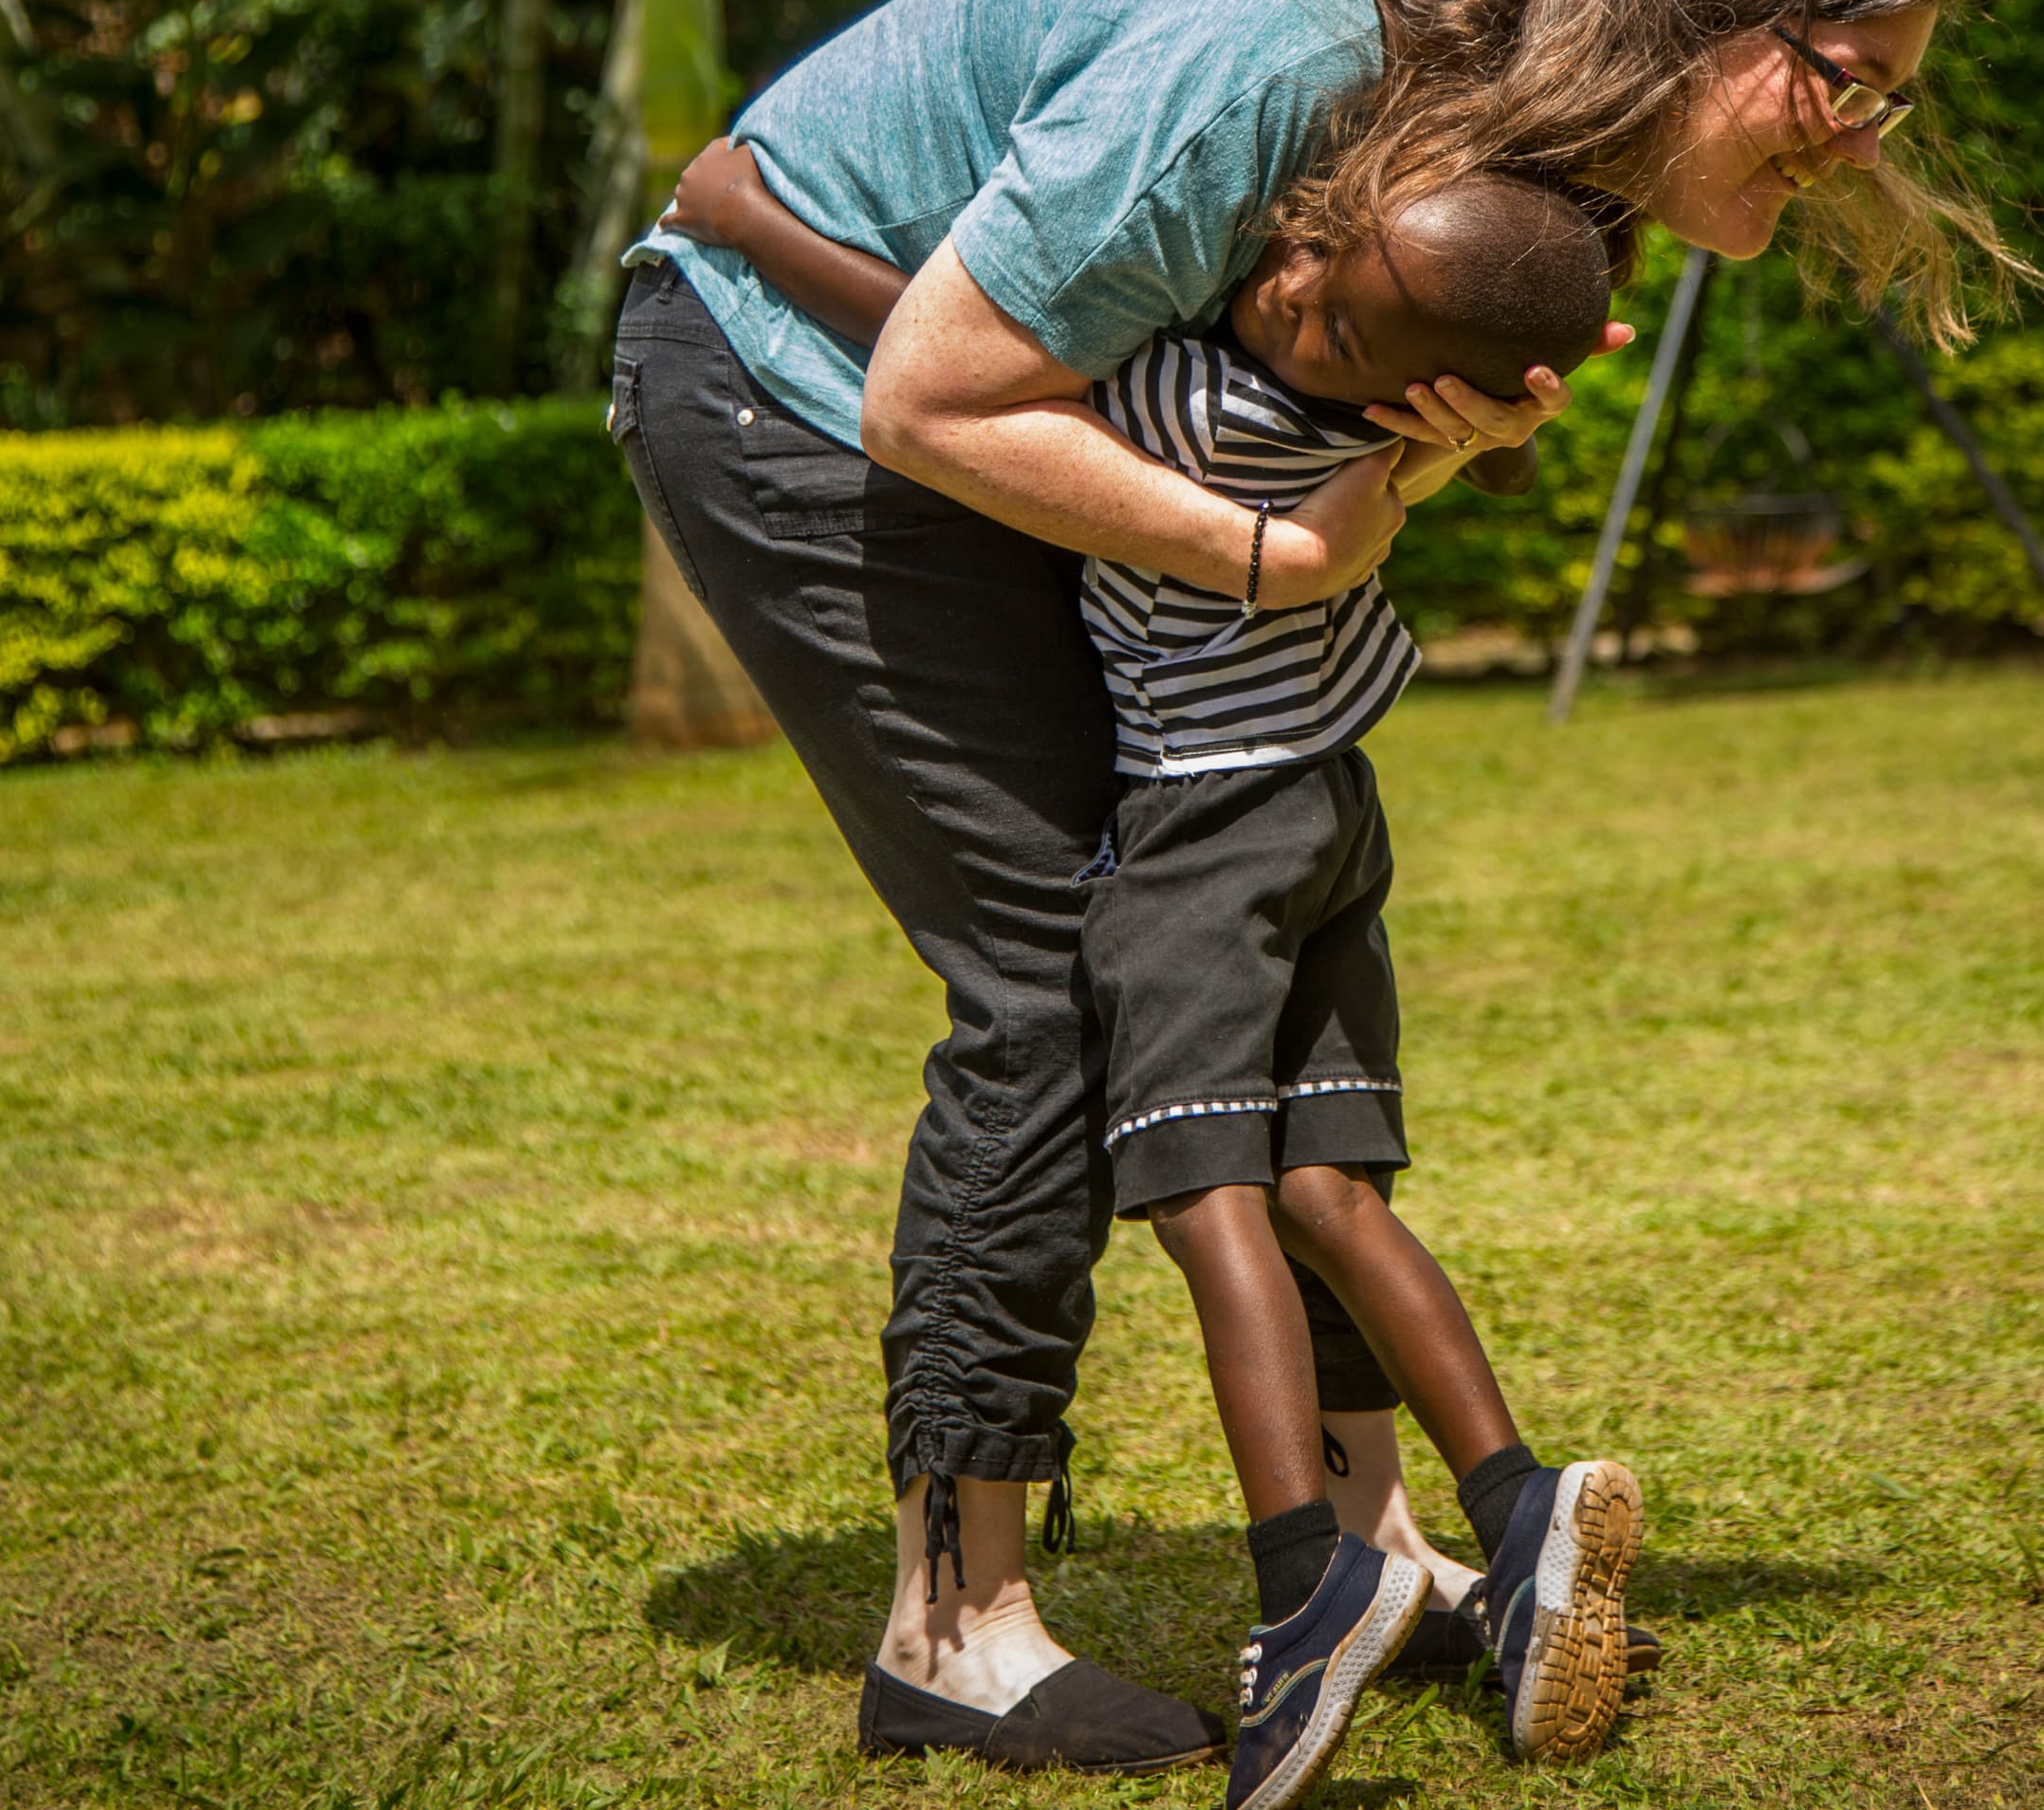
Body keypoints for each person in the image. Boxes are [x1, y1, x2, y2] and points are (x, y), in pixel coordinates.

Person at [606, 0, 2012, 1776]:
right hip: (796, 388)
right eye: (1848, 77)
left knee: (1233, 938)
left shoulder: (1511, 147)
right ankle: (951, 1619)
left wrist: (1398, 459)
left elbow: (1242, 414)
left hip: (986, 390)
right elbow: (939, 386)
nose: (1867, 135)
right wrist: (1280, 550)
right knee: (1049, 965)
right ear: (1709, 10)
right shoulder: (1274, 48)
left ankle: (1367, 1545)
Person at [662, 155, 1646, 1801]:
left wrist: (750, 224)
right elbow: (1441, 361)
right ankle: (1519, 1502)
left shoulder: (1189, 397)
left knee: (1211, 1202)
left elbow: (935, 350)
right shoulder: (1411, 429)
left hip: (1203, 832)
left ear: (1421, 375)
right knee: (1333, 1191)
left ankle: (1303, 1586)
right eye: (1311, 258)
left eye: (1335, 316)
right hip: (1336, 804)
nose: (1289, 294)